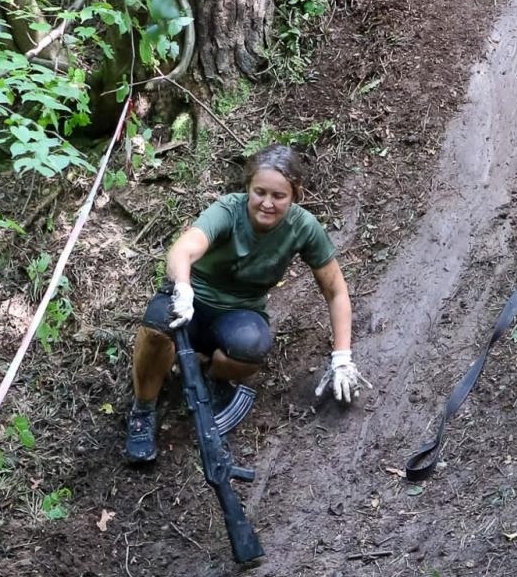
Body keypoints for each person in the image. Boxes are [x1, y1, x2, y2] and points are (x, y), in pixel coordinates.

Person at [124, 145, 363, 463]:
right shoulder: (228, 210)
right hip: (191, 302)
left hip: (239, 312)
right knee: (156, 329)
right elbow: (183, 249)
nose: (267, 203)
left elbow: (335, 290)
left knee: (252, 346)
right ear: (247, 188)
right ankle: (143, 410)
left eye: (279, 196)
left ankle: (212, 377)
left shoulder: (304, 227)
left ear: (295, 195)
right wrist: (183, 287)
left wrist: (342, 357)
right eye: (259, 192)